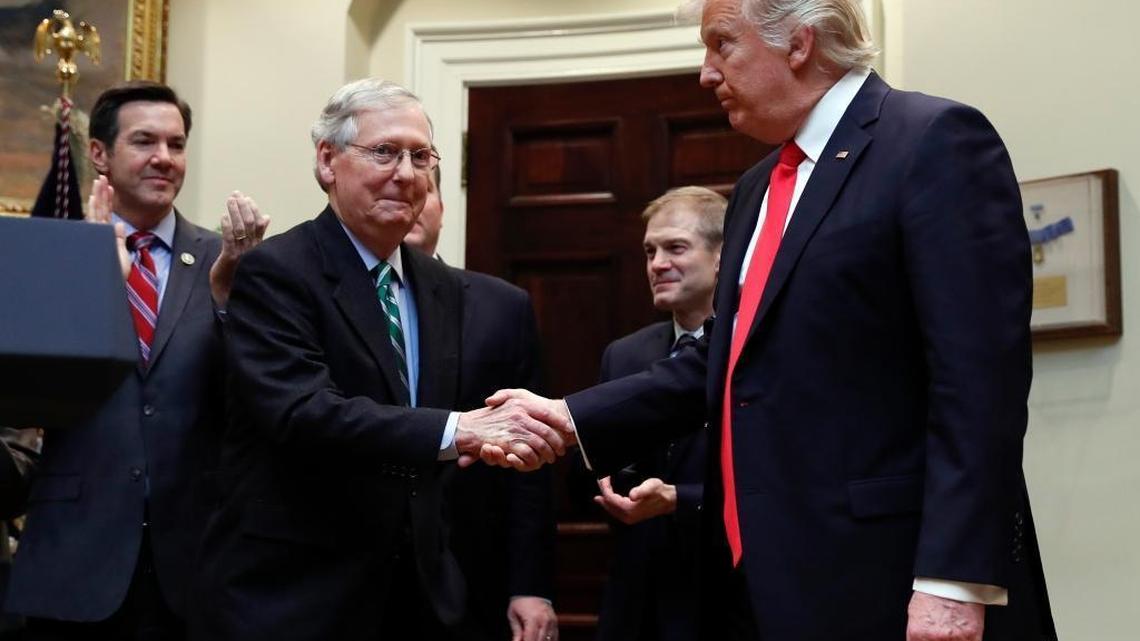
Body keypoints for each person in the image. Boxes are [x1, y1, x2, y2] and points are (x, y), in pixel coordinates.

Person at [484, 0, 1057, 639]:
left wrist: (953, 582)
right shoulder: (759, 184)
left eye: (721, 44)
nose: (705, 72)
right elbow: (727, 354)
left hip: (897, 580)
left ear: (799, 44)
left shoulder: (932, 140)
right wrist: (568, 416)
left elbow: (979, 386)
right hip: (771, 582)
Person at [191, 78, 568, 641]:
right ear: (327, 161)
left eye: (421, 156)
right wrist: (457, 429)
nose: (406, 173)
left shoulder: (437, 287)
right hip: (297, 597)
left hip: (419, 597)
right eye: (385, 152)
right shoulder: (277, 271)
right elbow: (301, 413)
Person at [3, 80, 269, 640]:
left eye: (176, 144)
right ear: (99, 153)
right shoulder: (49, 258)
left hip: (197, 563)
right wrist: (95, 287)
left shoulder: (230, 261)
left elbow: (254, 401)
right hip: (77, 558)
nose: (163, 159)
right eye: (144, 141)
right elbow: (26, 398)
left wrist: (224, 301)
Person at [406, 168, 559, 641]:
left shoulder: (502, 306)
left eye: (424, 189)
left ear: (442, 208)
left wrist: (531, 586)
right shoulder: (326, 300)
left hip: (474, 569)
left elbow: (530, 464)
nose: (409, 199)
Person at [590, 186, 723, 641]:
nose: (657, 264)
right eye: (650, 251)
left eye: (676, 248)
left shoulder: (754, 350)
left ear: (722, 257)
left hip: (723, 595)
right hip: (636, 602)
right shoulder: (624, 355)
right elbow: (588, 469)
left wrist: (678, 498)